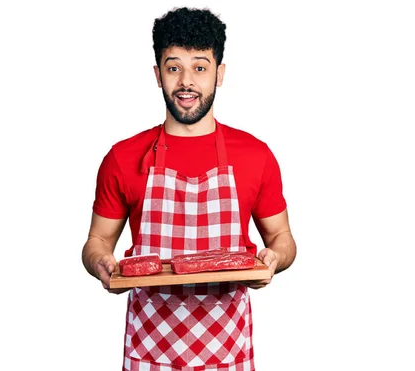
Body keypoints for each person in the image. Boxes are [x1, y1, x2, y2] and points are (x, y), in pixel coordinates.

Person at [82, 7, 297, 370]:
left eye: (200, 67)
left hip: (226, 349)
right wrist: (99, 262)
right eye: (173, 67)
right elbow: (97, 242)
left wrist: (273, 262)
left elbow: (282, 238)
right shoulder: (122, 157)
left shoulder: (255, 155)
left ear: (219, 74)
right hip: (150, 349)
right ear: (158, 74)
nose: (186, 81)